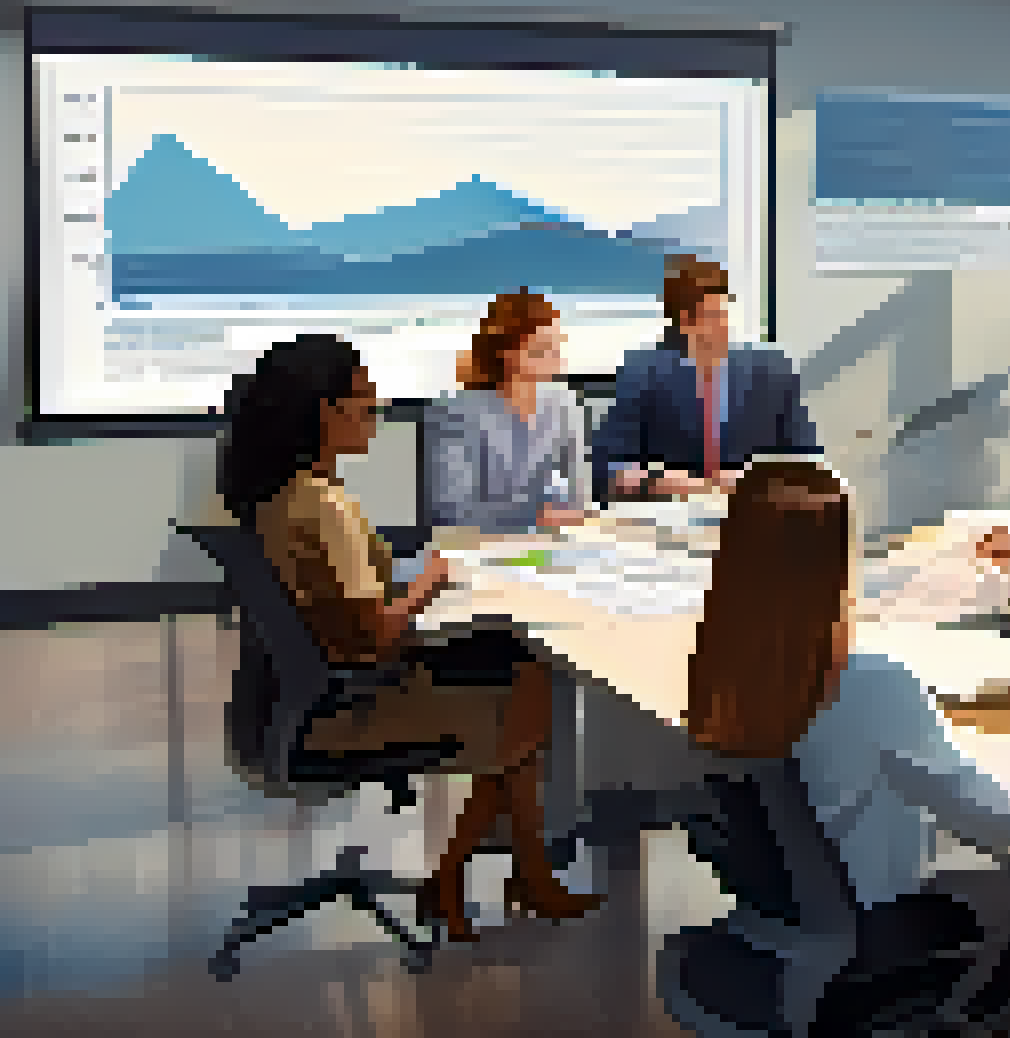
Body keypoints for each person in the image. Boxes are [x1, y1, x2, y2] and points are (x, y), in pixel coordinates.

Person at [685, 455, 1010, 1005]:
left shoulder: (719, 668)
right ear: (840, 562)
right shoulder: (870, 684)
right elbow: (1009, 821)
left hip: (777, 918)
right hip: (872, 932)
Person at [218, 335, 602, 943]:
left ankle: (521, 874)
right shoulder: (321, 506)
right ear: (327, 414)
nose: (376, 419)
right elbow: (376, 631)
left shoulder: (282, 496)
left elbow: (349, 603)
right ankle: (457, 874)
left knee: (520, 673)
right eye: (367, 407)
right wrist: (431, 578)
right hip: (347, 706)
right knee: (529, 696)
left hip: (309, 694)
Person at [593, 255, 817, 500]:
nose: (724, 326)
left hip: (756, 510)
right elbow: (608, 469)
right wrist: (657, 481)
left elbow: (808, 460)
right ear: (686, 323)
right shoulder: (641, 371)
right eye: (713, 317)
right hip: (672, 516)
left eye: (724, 313)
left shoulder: (772, 371)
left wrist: (754, 478)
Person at [423, 288, 593, 533]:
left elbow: (580, 494)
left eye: (556, 347)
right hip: (478, 548)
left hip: (546, 545)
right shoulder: (455, 413)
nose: (555, 359)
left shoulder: (564, 403)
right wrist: (533, 518)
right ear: (507, 353)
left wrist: (566, 514)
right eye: (542, 349)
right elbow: (453, 510)